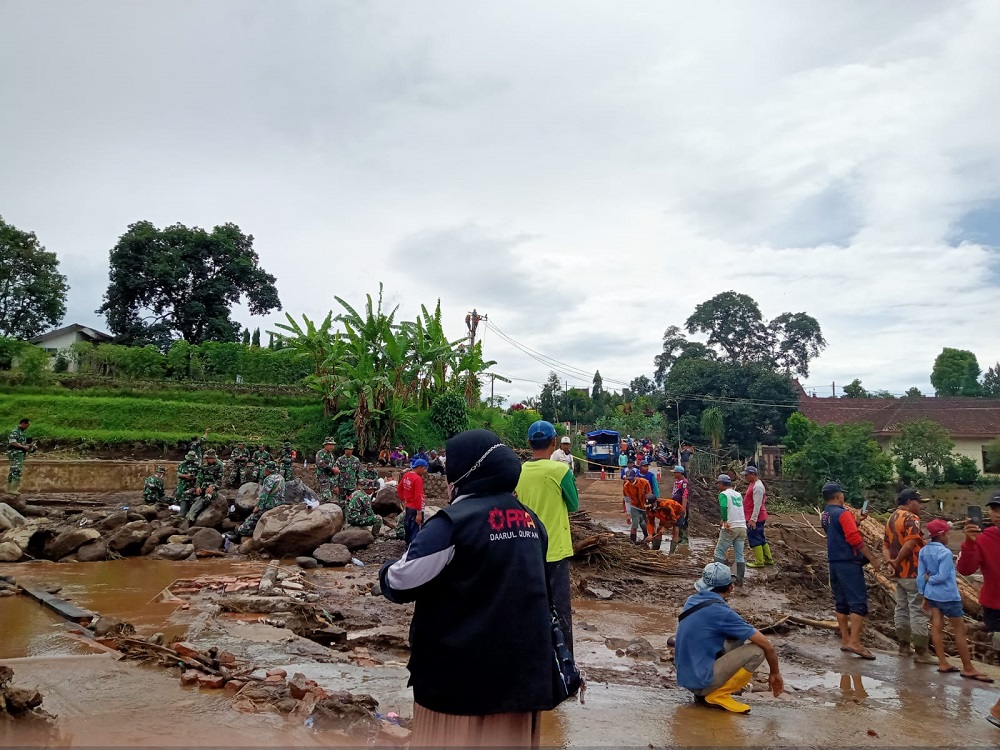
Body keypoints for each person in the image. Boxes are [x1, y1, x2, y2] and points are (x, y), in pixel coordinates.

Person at [379, 429, 564, 747]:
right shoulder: (531, 521)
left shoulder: (452, 522)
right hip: (522, 678)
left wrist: (383, 572)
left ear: (463, 471)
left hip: (461, 683)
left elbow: (400, 581)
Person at [675, 562, 784, 714]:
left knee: (736, 638)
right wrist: (775, 673)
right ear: (730, 588)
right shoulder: (721, 612)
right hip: (700, 682)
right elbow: (767, 645)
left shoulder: (691, 601)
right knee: (758, 650)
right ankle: (716, 694)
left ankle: (706, 691)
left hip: (687, 678)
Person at [515, 420, 579, 654]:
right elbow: (573, 504)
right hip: (556, 551)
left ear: (529, 443)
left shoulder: (518, 470)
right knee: (560, 609)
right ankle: (565, 662)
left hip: (527, 549)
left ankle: (531, 656)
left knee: (530, 606)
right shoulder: (560, 470)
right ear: (554, 442)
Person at [917, 519, 993, 682]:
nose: (949, 537)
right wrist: (931, 578)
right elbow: (943, 577)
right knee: (959, 629)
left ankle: (943, 662)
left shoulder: (924, 551)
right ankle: (968, 667)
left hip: (932, 595)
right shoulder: (944, 553)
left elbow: (920, 575)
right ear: (943, 535)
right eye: (948, 534)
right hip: (948, 595)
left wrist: (924, 592)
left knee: (936, 626)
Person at [821, 482, 880, 660]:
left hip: (834, 561)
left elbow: (837, 531)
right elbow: (853, 538)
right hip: (849, 562)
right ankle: (855, 641)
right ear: (838, 496)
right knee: (858, 602)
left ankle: (846, 640)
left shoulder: (825, 515)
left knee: (841, 602)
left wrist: (857, 521)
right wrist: (871, 557)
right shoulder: (843, 513)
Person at [956, 496, 1000, 729]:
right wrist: (969, 542)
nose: (997, 514)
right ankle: (998, 710)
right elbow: (965, 568)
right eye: (994, 509)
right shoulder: (984, 538)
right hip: (996, 608)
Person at [882, 487, 936, 663]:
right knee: (918, 610)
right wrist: (897, 561)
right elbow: (911, 543)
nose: (920, 506)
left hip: (899, 574)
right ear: (909, 502)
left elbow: (885, 545)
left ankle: (904, 647)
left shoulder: (891, 518)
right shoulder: (912, 518)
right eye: (918, 502)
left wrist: (890, 563)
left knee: (902, 608)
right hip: (913, 572)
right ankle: (922, 652)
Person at [231, 461, 286, 541]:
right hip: (279, 504)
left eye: (265, 469)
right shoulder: (281, 477)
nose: (263, 471)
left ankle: (239, 534)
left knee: (252, 518)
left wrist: (258, 506)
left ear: (268, 470)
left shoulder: (269, 479)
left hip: (269, 504)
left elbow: (265, 494)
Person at [714, 474, 747, 587]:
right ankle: (740, 580)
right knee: (739, 554)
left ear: (722, 484)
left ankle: (720, 580)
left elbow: (724, 507)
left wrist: (724, 520)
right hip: (742, 526)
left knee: (719, 552)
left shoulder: (723, 494)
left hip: (730, 526)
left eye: (718, 483)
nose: (717, 485)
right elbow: (734, 508)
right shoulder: (737, 494)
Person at [743, 466, 773, 568]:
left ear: (753, 474)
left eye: (747, 475)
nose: (745, 477)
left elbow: (757, 504)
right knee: (760, 537)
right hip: (755, 516)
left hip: (756, 517)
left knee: (755, 538)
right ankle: (768, 559)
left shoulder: (758, 487)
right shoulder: (753, 484)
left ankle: (759, 562)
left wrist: (753, 519)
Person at [186, 449, 224, 522]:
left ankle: (192, 514)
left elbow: (220, 479)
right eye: (209, 458)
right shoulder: (204, 466)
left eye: (212, 458)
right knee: (187, 494)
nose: (210, 460)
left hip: (213, 487)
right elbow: (199, 478)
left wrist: (212, 487)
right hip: (203, 486)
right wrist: (198, 487)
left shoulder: (219, 465)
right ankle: (184, 512)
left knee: (207, 498)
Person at [398, 459, 428, 545]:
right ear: (419, 467)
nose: (425, 471)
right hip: (415, 507)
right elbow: (418, 496)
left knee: (408, 526)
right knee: (416, 528)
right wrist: (419, 513)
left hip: (408, 506)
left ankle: (407, 545)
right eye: (424, 468)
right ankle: (413, 547)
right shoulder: (417, 479)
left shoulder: (407, 475)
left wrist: (403, 500)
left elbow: (399, 488)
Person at [622, 469, 652, 545]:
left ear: (635, 476)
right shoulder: (626, 486)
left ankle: (646, 536)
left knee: (644, 524)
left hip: (645, 506)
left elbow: (649, 495)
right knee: (634, 523)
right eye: (629, 479)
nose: (630, 481)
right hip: (634, 506)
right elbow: (627, 500)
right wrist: (628, 514)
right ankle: (633, 542)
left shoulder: (644, 482)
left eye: (631, 478)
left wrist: (649, 507)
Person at [6, 418, 33, 497]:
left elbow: (21, 443)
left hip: (19, 453)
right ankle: (13, 489)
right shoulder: (15, 432)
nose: (27, 427)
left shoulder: (22, 433)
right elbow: (12, 442)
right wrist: (23, 447)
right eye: (27, 425)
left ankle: (10, 489)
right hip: (15, 453)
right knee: (17, 470)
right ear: (23, 423)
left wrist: (29, 446)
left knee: (13, 470)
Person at [672, 465, 690, 552]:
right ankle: (679, 539)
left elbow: (685, 495)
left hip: (681, 505)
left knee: (683, 522)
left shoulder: (684, 483)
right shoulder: (676, 481)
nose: (674, 474)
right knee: (677, 523)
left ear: (680, 473)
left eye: (675, 472)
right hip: (675, 505)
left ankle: (685, 540)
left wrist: (683, 508)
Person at [315, 438, 339, 503]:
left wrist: (335, 470)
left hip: (330, 477)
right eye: (330, 445)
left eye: (333, 445)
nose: (332, 446)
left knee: (331, 496)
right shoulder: (320, 453)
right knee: (326, 497)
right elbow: (320, 464)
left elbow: (333, 465)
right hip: (323, 477)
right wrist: (332, 469)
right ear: (325, 445)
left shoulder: (331, 455)